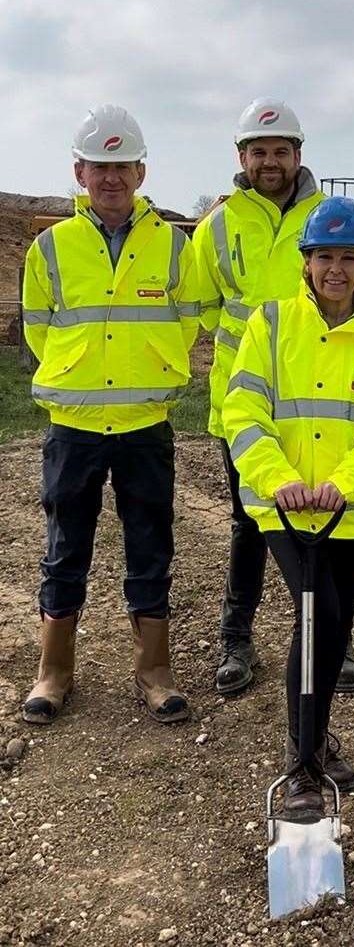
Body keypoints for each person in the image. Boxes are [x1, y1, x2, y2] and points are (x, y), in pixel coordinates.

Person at [222, 196, 354, 819]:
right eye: (323, 257)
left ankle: (316, 739)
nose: (335, 269)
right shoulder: (271, 324)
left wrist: (348, 480)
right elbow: (243, 408)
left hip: (350, 509)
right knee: (319, 616)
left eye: (349, 258)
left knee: (335, 627)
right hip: (284, 509)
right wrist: (277, 478)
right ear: (305, 263)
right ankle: (302, 765)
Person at [21, 104, 200, 725]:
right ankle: (53, 673)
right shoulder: (51, 246)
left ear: (141, 171)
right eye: (99, 166)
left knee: (151, 545)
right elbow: (39, 327)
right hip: (73, 427)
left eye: (122, 165)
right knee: (65, 547)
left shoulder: (174, 245)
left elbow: (188, 319)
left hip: (144, 424)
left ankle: (155, 672)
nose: (111, 178)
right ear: (80, 172)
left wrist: (149, 365)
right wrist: (81, 376)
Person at [194, 98, 354, 697]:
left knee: (323, 524)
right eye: (259, 151)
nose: (270, 162)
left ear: (299, 154)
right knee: (250, 521)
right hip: (243, 403)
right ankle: (235, 640)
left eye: (281, 151)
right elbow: (203, 304)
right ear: (242, 157)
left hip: (319, 401)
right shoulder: (218, 223)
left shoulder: (326, 216)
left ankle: (329, 642)